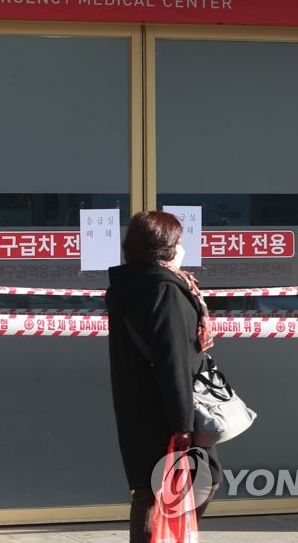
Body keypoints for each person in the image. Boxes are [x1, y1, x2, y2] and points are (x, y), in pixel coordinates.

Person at [105, 210, 220, 542]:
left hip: (137, 403)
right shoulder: (164, 289)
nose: (182, 247)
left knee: (152, 488)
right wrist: (183, 424)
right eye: (179, 241)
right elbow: (173, 360)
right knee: (188, 484)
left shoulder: (130, 285)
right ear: (165, 247)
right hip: (168, 408)